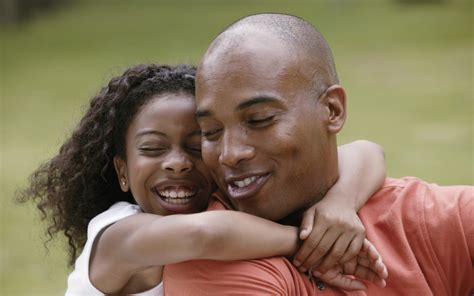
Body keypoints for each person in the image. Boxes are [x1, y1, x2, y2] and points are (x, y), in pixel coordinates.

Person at [163, 13, 474, 295]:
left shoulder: (428, 218)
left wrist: (343, 198)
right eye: (211, 132)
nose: (229, 155)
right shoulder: (211, 257)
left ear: (332, 109)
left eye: (259, 120)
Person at [18, 64, 389, 295]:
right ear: (122, 172)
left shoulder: (232, 205)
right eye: (152, 149)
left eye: (197, 147)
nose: (177, 164)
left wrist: (340, 203)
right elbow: (202, 235)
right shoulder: (117, 234)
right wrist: (311, 244)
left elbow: (367, 151)